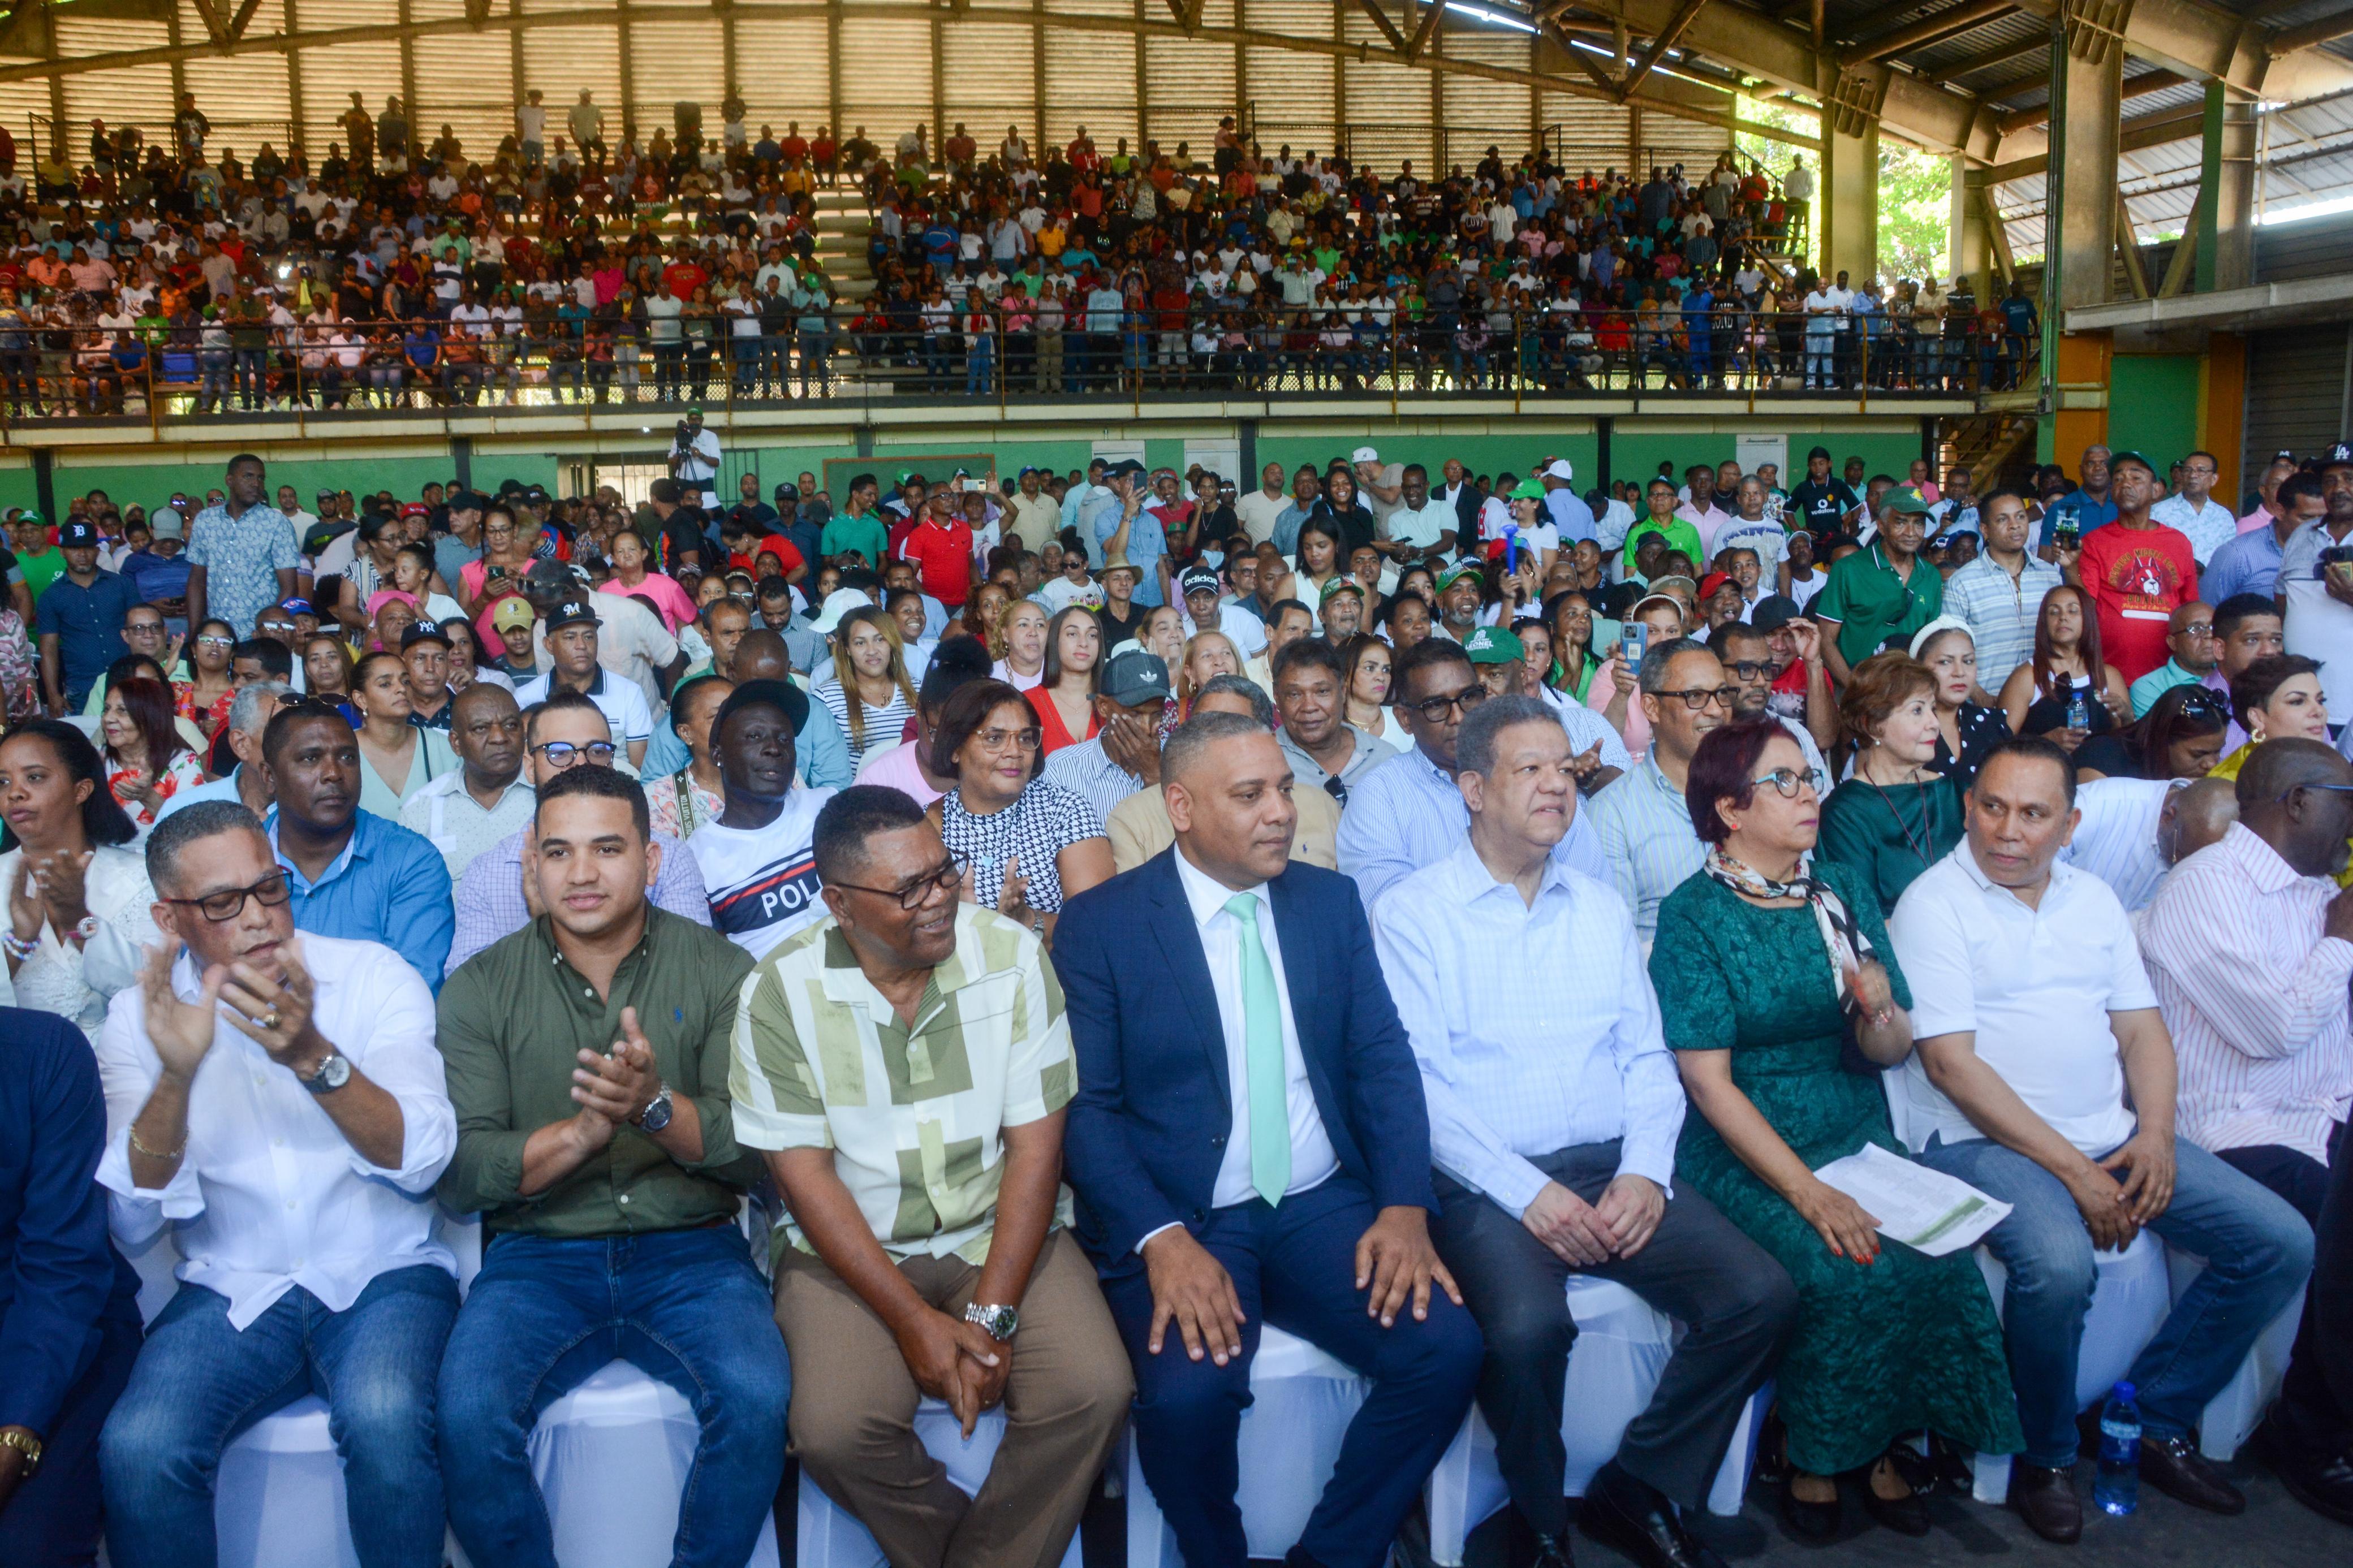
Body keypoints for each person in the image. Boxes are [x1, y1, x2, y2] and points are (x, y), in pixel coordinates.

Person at [1055, 710, 1484, 1568]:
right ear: (1180, 807)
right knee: (1187, 1399)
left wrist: (1404, 1205)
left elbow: (1381, 1062)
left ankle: (1334, 1552)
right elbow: (1087, 1112)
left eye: (1284, 789)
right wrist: (1159, 1238)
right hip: (1184, 1215)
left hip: (1318, 1201)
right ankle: (1216, 1554)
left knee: (1445, 1350)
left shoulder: (1327, 902)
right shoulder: (1104, 924)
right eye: (1249, 795)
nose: (1282, 812)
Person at [1375, 697, 1797, 1568]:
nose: (1556, 786)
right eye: (1529, 769)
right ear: (1472, 789)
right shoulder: (1414, 913)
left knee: (1759, 1294)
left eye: (1565, 768)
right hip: (1488, 1180)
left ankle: (1640, 1480)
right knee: (1528, 1330)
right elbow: (1420, 1092)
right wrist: (1529, 1193)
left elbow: (1647, 1058)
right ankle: (1537, 1519)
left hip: (1611, 1163)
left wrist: (1644, 1171)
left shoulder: (1599, 908)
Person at [1889, 737, 2316, 1539]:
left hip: (2107, 1136)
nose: (2007, 830)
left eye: (2032, 814)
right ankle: (2045, 1455)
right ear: (1967, 806)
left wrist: (2154, 1135)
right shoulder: (1933, 903)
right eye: (1991, 807)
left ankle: (2152, 1418)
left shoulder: (2092, 900)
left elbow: (2142, 1031)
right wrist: (2076, 1174)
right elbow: (1950, 1067)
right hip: (1977, 1143)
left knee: (2278, 1241)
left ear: (2070, 825)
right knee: (2058, 1263)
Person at [732, 787, 1131, 1568]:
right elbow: (805, 1180)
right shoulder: (779, 992)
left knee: (1093, 1388)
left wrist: (994, 1314)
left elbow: (1037, 1151)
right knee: (835, 1427)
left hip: (998, 1228)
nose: (940, 897)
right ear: (839, 904)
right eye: (909, 889)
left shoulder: (1010, 957)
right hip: (849, 1247)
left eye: (943, 871)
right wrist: (913, 1322)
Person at [1655, 720, 2020, 1540]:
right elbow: (1708, 1084)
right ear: (1729, 809)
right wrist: (1807, 1193)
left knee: (1931, 1251)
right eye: (1782, 781)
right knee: (1841, 1264)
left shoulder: (1839, 890)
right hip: (1744, 1139)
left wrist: (1879, 1008)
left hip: (1851, 1124)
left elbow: (1889, 1050)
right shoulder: (1693, 915)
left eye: (1809, 776)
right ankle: (1813, 1450)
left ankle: (1884, 1436)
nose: (1808, 794)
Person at [434, 767, 788, 1568]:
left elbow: (752, 1153)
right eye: (558, 852)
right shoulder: (479, 989)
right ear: (530, 863)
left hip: (692, 1249)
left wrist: (654, 1106)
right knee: (467, 1414)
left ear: (652, 860)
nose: (581, 873)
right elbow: (464, 1174)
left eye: (607, 848)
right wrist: (583, 1134)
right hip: (539, 1255)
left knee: (758, 1397)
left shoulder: (722, 970)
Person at [95, 800, 459, 1568]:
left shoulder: (370, 975)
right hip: (232, 1288)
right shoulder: (137, 1018)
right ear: (169, 918)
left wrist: (313, 1057)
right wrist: (176, 1078)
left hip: (383, 1273)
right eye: (224, 902)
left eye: (269, 886)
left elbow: (424, 1160)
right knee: (139, 1445)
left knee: (385, 1417)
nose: (259, 915)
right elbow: (131, 1221)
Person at [447, 691, 712, 974]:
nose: (581, 765)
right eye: (559, 753)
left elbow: (690, 973)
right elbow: (470, 991)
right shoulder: (486, 875)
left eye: (597, 751)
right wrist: (545, 932)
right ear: (530, 767)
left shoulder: (668, 858)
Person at [1339, 638, 1605, 908]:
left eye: (1468, 698)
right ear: (1405, 719)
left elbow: (1593, 893)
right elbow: (1390, 910)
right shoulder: (1379, 794)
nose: (1457, 717)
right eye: (1436, 705)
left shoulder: (1537, 780)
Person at [258, 701, 455, 988]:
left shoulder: (411, 861)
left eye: (348, 757)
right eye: (311, 759)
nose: (334, 773)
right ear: (269, 777)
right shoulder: (236, 862)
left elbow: (411, 993)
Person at [928, 679, 1114, 943]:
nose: (1015, 752)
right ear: (955, 748)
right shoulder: (929, 825)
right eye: (995, 738)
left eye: (1025, 738)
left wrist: (1027, 921)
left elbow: (1101, 928)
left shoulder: (1065, 811)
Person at [2, 720, 160, 1030]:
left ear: (81, 790)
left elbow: (158, 992)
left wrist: (78, 920)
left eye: (35, 777)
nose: (15, 793)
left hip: (122, 1057)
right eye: (3, 782)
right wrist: (20, 942)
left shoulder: (141, 877)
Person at [1106, 676, 1344, 871]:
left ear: (1269, 740)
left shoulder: (1323, 808)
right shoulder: (1134, 818)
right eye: (1202, 729)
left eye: (1232, 730)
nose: (1280, 814)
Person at [1586, 638, 1731, 944]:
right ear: (1652, 708)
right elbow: (1617, 944)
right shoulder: (1613, 812)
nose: (1716, 710)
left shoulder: (1757, 790)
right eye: (1695, 696)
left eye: (1722, 694)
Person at [693, 680, 835, 960]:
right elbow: (713, 964)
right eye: (754, 737)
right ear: (718, 755)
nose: (774, 748)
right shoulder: (698, 858)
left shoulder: (827, 808)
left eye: (785, 739)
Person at [1819, 653, 1965, 912]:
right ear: (1874, 725)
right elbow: (1863, 918)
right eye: (1917, 710)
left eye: (1933, 709)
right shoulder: (1844, 813)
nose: (1934, 723)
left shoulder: (1954, 794)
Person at [2071, 450, 2199, 684]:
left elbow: (2190, 608)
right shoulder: (2095, 542)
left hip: (2169, 677)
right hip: (2110, 675)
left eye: (2136, 478)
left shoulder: (2179, 543)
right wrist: (2071, 567)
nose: (2126, 484)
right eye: (2118, 478)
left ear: (2157, 490)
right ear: (2112, 491)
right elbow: (2086, 607)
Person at [399, 683, 531, 878]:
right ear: (456, 742)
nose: (499, 738)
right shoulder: (421, 810)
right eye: (481, 728)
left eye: (511, 725)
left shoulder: (548, 795)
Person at [1814, 486, 1941, 685]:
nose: (1911, 532)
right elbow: (1826, 639)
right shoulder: (1848, 569)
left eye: (1919, 523)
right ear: (1881, 526)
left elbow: (1931, 643)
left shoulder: (1931, 575)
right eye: (1901, 522)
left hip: (1910, 690)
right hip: (1855, 687)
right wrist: (1854, 688)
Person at [1943, 488, 2062, 695]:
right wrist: (1980, 698)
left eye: (2020, 516)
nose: (2015, 525)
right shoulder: (1962, 583)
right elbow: (1951, 652)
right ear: (1985, 530)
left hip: (2044, 698)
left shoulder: (2050, 577)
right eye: (2002, 519)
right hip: (1989, 700)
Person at [1041, 642, 1174, 824]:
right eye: (1134, 714)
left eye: (1157, 714)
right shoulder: (1062, 770)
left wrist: (1155, 775)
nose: (1146, 727)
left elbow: (1186, 836)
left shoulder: (1178, 758)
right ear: (1103, 706)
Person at [515, 598, 654, 769]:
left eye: (589, 637)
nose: (581, 645)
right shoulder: (525, 697)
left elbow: (640, 769)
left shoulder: (629, 693)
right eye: (570, 637)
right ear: (549, 645)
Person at [1998, 584, 2127, 752]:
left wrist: (2126, 716)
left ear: (2088, 619)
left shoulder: (2109, 676)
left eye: (2072, 611)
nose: (2063, 617)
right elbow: (1999, 748)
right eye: (2054, 612)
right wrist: (2046, 742)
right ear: (2044, 623)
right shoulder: (2027, 677)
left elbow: (2126, 742)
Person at [184, 455, 300, 639]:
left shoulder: (277, 523)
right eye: (248, 476)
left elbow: (289, 588)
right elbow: (197, 582)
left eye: (261, 478)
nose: (256, 484)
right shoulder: (205, 521)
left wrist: (269, 633)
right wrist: (195, 635)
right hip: (217, 639)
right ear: (229, 480)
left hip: (259, 639)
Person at [35, 520, 140, 715]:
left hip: (129, 680)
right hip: (82, 687)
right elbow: (48, 648)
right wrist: (53, 693)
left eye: (88, 547)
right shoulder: (51, 597)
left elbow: (141, 631)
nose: (82, 554)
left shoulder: (122, 585)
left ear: (97, 550)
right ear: (62, 552)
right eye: (74, 548)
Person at [1273, 636, 1391, 806]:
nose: (1309, 707)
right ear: (1277, 697)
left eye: (1322, 692)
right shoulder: (1263, 763)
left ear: (1342, 691)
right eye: (1295, 694)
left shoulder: (1385, 759)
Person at [156, 681, 292, 824]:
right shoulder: (186, 809)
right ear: (241, 744)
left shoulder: (309, 812)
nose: (299, 745)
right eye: (281, 734)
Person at [348, 650, 460, 819]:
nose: (401, 689)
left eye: (406, 681)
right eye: (385, 684)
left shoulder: (444, 747)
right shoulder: (343, 753)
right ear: (361, 699)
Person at [1904, 618, 2010, 791]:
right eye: (1945, 662)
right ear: (1918, 667)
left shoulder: (1992, 724)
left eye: (1968, 661)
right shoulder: (1900, 728)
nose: (1960, 672)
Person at [98, 676, 205, 833]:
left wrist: (148, 797)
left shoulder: (183, 763)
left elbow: (191, 831)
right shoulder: (97, 759)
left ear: (151, 717)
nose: (108, 719)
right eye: (107, 709)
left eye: (122, 710)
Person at [818, 607, 921, 770]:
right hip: (855, 786)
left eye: (880, 640)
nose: (872, 651)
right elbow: (824, 767)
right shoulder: (826, 699)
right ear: (847, 649)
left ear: (891, 643)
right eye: (860, 643)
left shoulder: (918, 690)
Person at [2075, 682, 2232, 783]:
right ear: (2163, 738)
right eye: (2198, 754)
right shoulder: (2102, 758)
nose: (2211, 764)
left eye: (2217, 752)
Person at [649, 674, 731, 839]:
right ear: (686, 734)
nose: (732, 723)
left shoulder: (770, 777)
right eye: (716, 717)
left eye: (736, 713)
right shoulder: (660, 797)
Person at [1027, 605, 1104, 755]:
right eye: (1072, 634)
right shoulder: (1027, 703)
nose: (1084, 643)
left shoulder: (1115, 703)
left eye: (1092, 635)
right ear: (1055, 641)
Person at [2128, 602, 2220, 717]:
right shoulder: (2150, 687)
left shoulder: (2229, 673)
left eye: (2214, 627)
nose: (2209, 635)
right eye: (2195, 629)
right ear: (2173, 643)